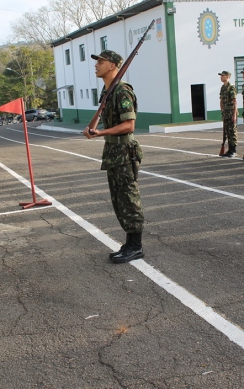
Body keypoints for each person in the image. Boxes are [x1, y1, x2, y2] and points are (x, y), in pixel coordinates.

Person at [82, 50, 145, 264]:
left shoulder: (122, 91)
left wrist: (101, 132)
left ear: (113, 65)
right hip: (112, 152)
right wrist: (92, 128)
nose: (96, 65)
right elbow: (106, 119)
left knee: (129, 198)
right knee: (118, 200)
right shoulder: (107, 91)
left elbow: (129, 125)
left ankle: (136, 246)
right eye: (97, 61)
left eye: (101, 61)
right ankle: (129, 242)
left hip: (124, 151)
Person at [218, 70, 238, 157]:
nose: (221, 77)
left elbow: (235, 102)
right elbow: (221, 101)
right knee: (227, 132)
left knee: (232, 131)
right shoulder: (223, 87)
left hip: (231, 111)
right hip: (225, 112)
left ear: (227, 76)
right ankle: (229, 150)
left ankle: (233, 150)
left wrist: (234, 114)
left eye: (223, 75)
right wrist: (222, 112)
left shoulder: (231, 87)